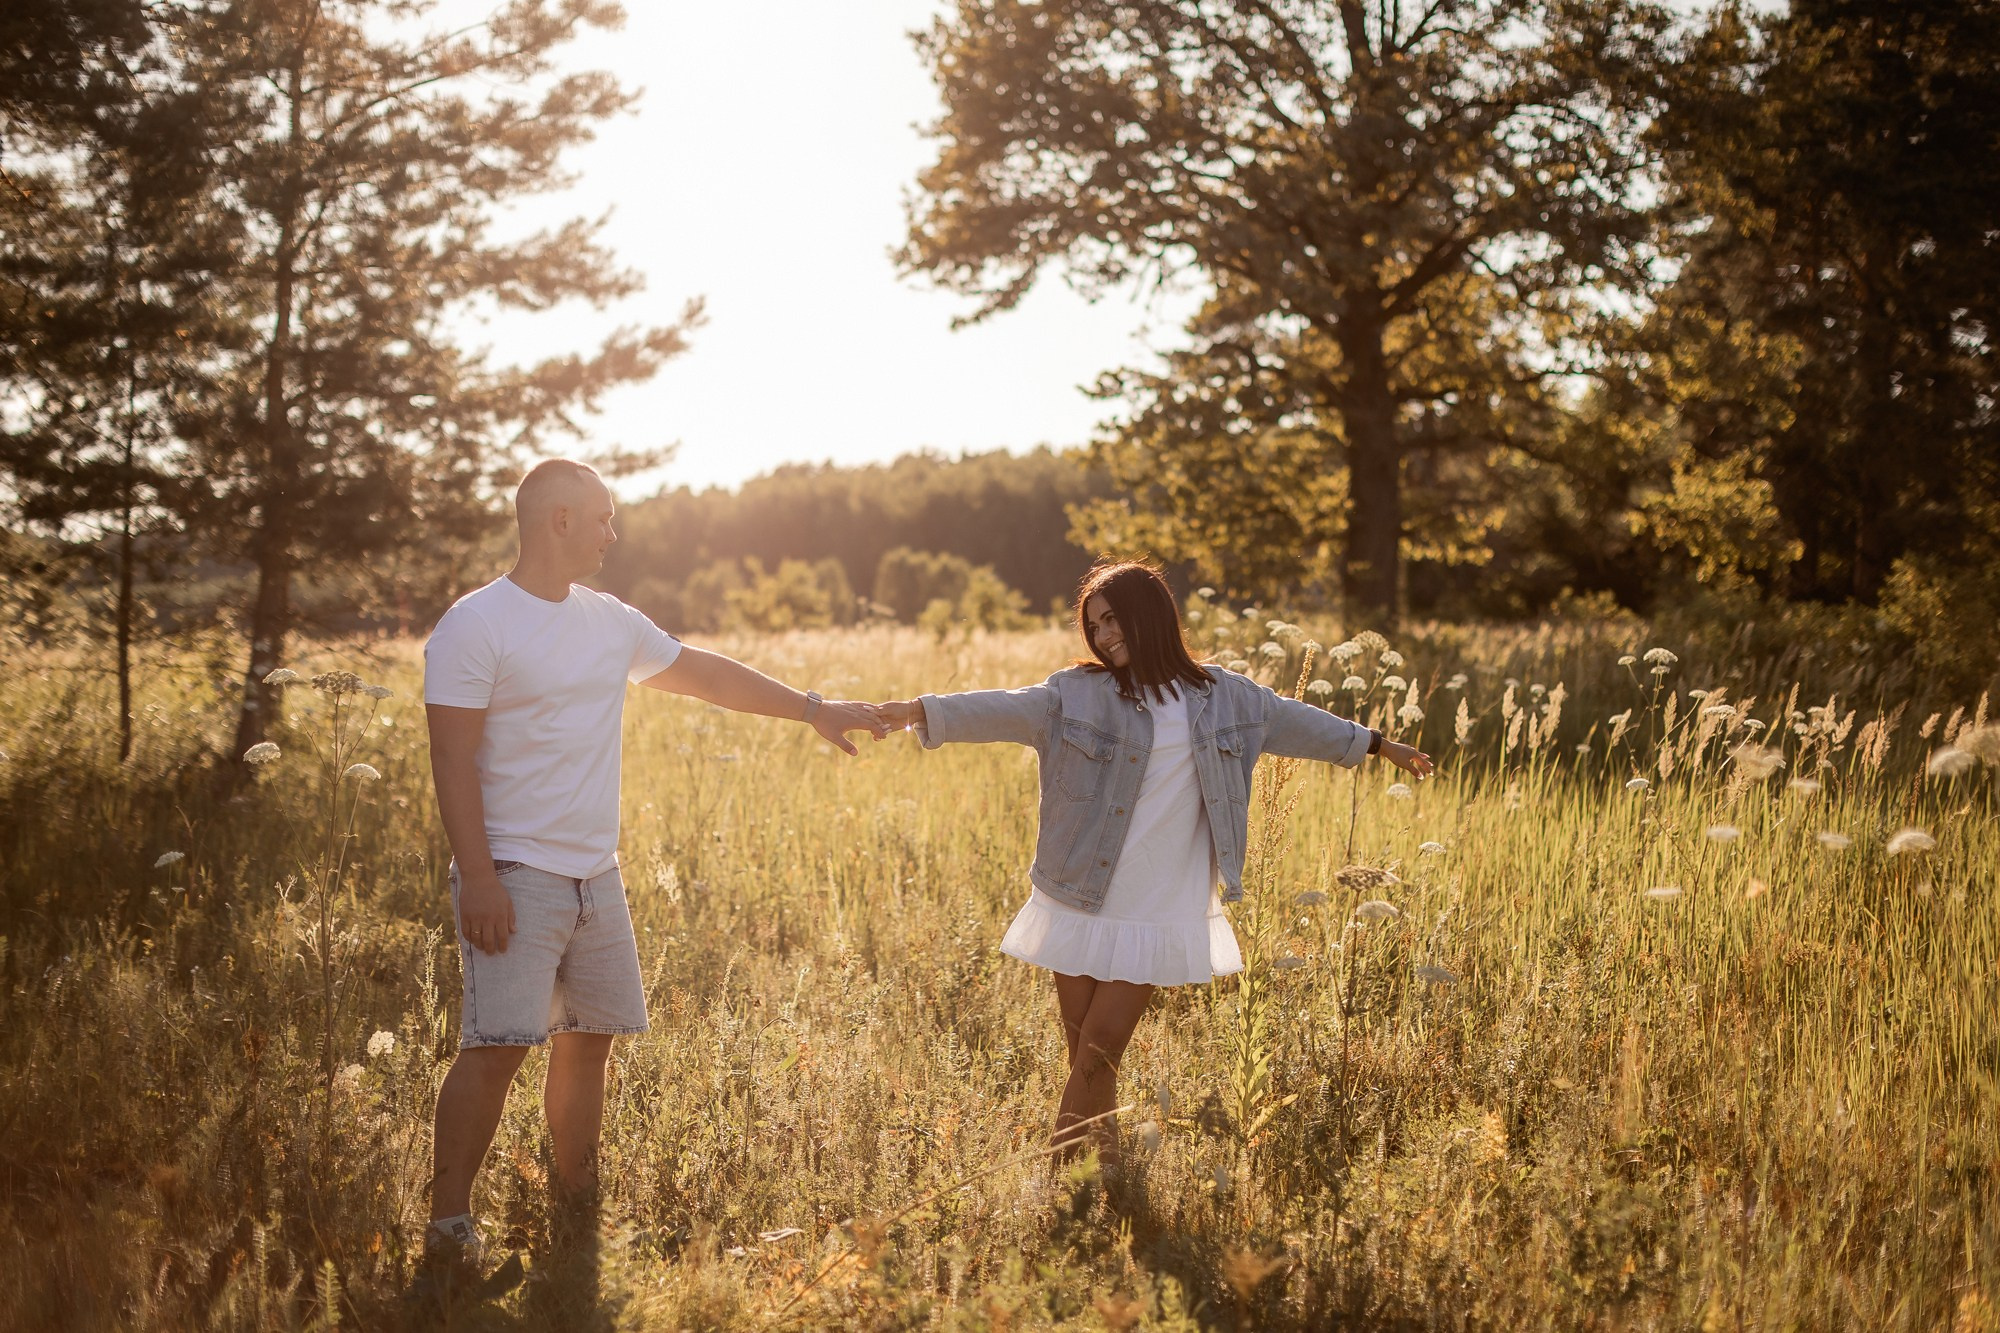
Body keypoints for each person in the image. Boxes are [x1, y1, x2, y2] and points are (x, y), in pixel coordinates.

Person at [419, 458, 883, 1286]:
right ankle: (449, 1226)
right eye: (602, 516)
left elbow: (703, 672)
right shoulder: (474, 624)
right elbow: (450, 757)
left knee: (588, 1042)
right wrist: (478, 875)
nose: (612, 531)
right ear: (558, 519)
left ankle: (576, 1200)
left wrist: (813, 709)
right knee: (497, 1047)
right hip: (514, 870)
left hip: (597, 876)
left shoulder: (610, 620)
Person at [870, 560, 1433, 1165]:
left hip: (1161, 897)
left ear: (1149, 614)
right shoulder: (1075, 693)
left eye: (1113, 619)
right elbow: (1000, 708)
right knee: (1083, 1045)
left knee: (1103, 1043)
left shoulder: (1226, 698)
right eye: (1094, 625)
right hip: (1082, 885)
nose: (1104, 634)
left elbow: (1300, 723)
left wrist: (1378, 743)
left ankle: (1055, 1179)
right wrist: (911, 711)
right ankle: (1106, 1168)